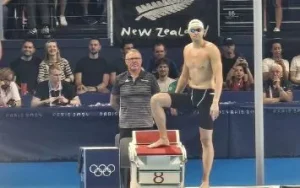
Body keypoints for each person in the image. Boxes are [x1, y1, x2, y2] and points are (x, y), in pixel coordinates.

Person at [148, 19, 223, 188]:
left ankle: (205, 180)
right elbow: (184, 75)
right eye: (193, 30)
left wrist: (216, 102)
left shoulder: (211, 49)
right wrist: (175, 97)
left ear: (203, 31)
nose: (196, 32)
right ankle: (163, 137)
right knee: (156, 100)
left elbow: (219, 77)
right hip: (191, 94)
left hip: (208, 95)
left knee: (205, 140)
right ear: (188, 32)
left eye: (198, 29)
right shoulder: (187, 49)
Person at [110, 48, 160, 188]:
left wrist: (153, 115)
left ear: (141, 60)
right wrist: (123, 112)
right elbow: (113, 102)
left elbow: (157, 100)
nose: (134, 61)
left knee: (145, 159)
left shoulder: (150, 78)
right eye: (131, 59)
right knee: (126, 161)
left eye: (137, 58)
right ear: (126, 62)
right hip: (126, 125)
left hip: (146, 125)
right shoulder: (120, 79)